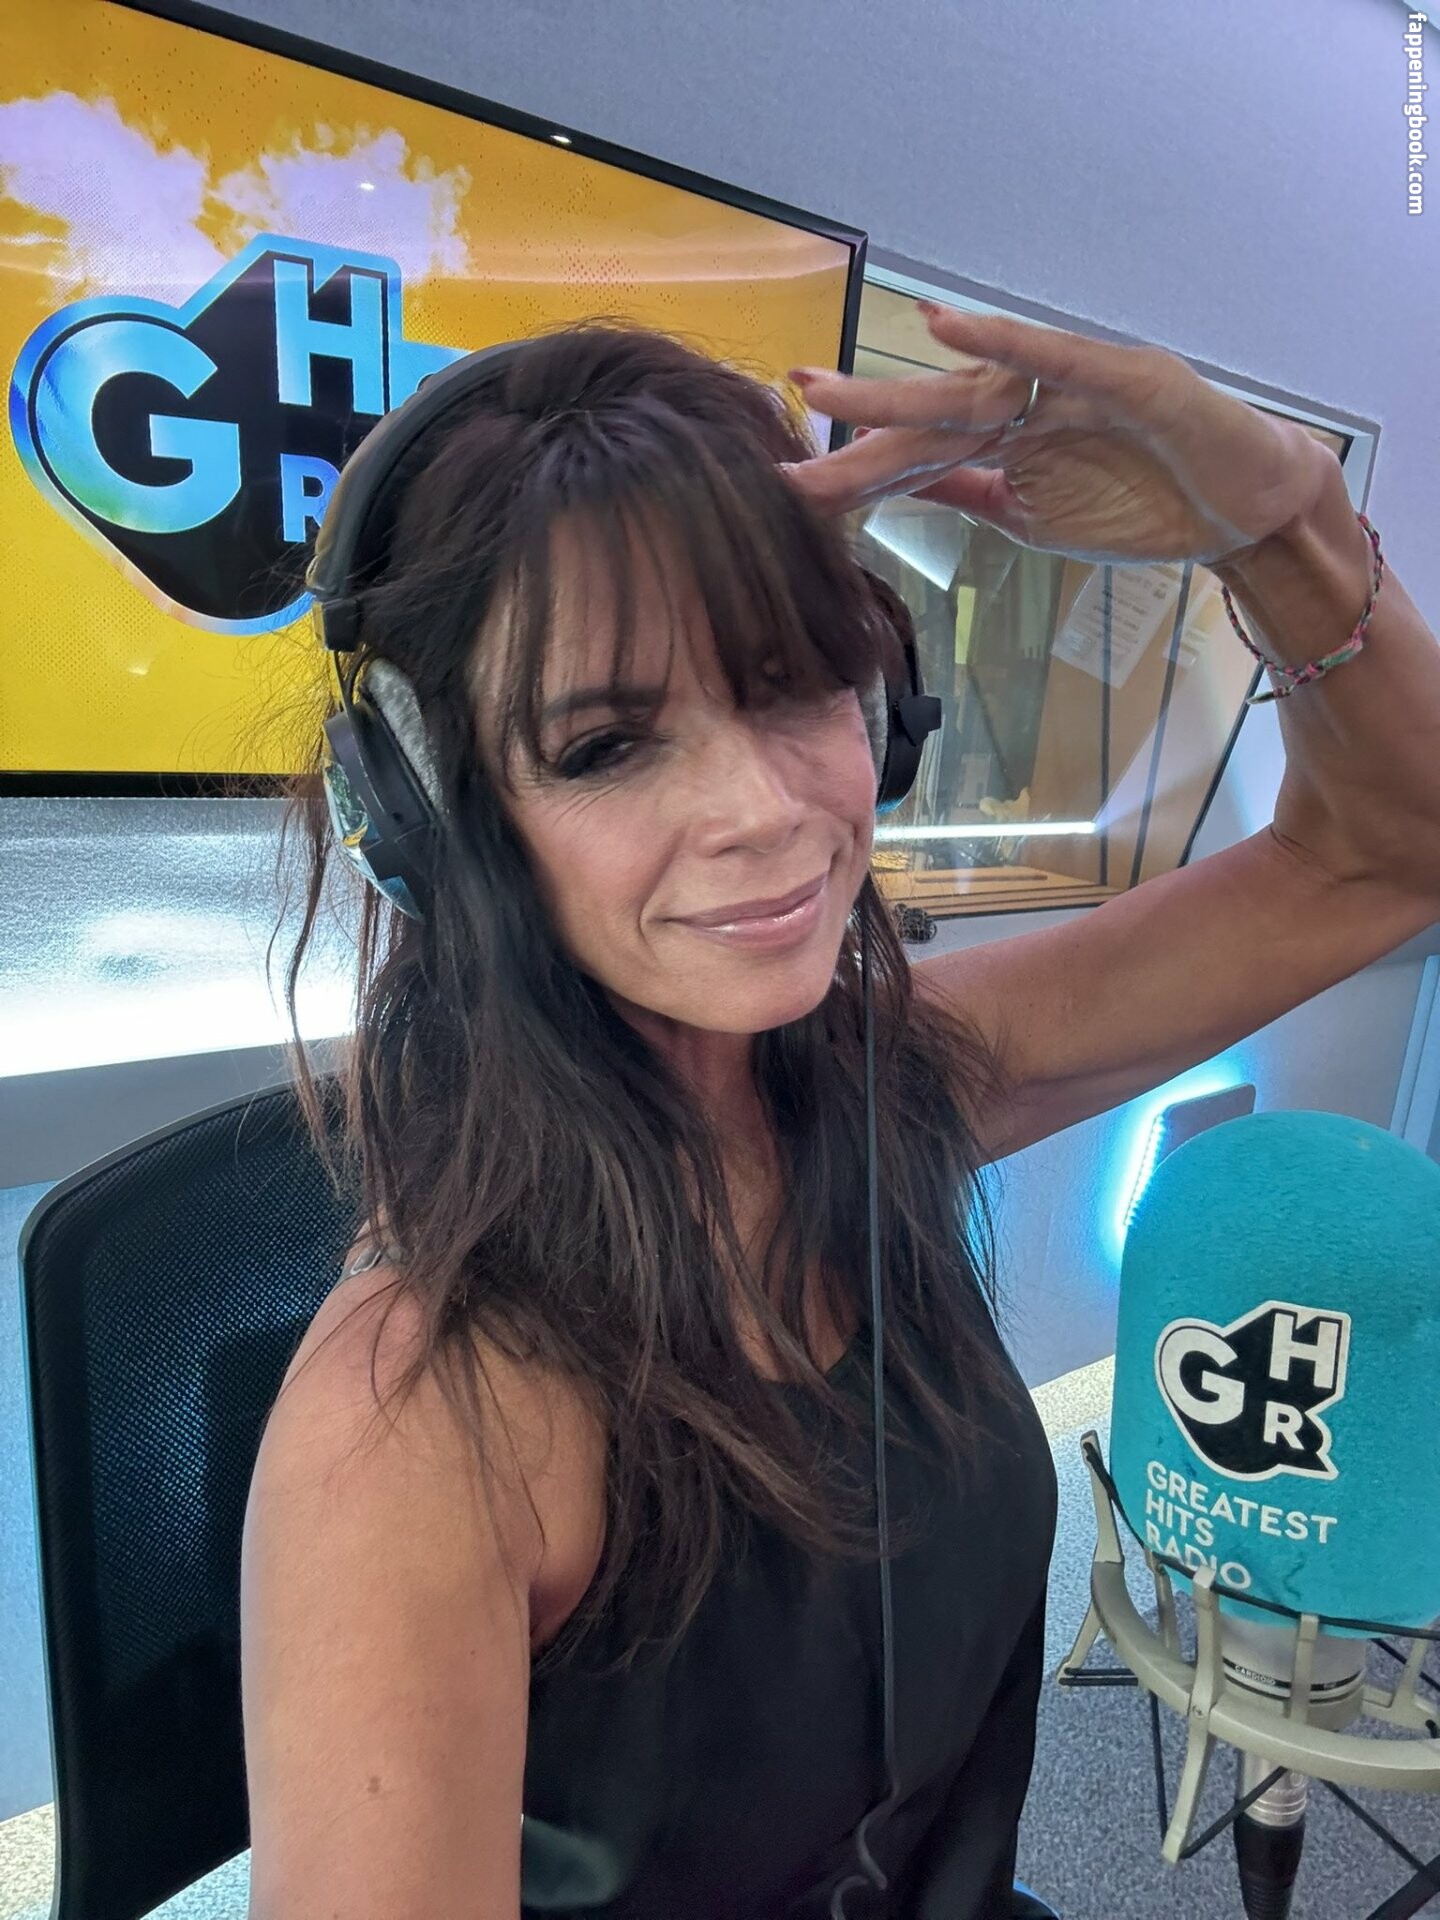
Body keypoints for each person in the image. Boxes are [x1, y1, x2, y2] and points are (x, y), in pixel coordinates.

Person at [240, 311, 1440, 1920]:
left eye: (794, 686)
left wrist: (1280, 523)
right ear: (431, 819)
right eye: (606, 745)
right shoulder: (415, 1432)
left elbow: (1387, 855)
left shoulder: (883, 1083)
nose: (767, 810)